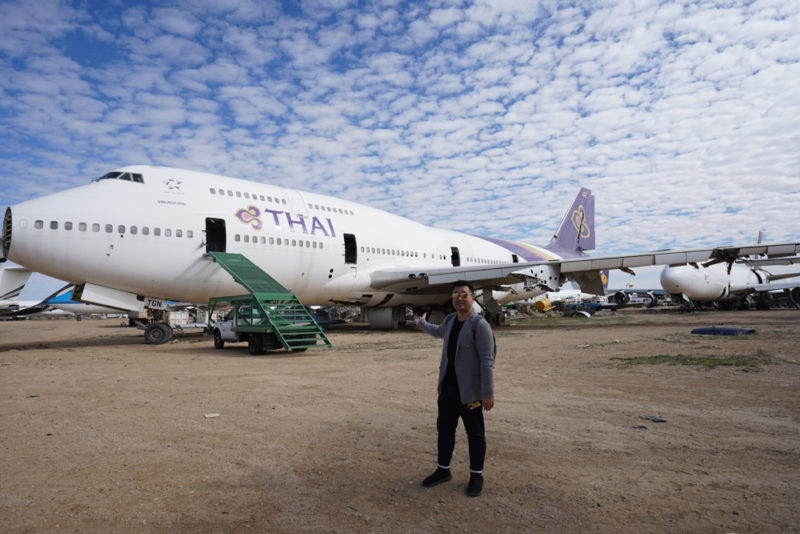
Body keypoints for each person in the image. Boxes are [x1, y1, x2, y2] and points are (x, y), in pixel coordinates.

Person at [415, 280, 495, 497]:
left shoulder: (480, 325)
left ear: (473, 298)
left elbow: (487, 361)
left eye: (464, 294)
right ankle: (443, 470)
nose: (460, 298)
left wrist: (488, 393)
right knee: (445, 431)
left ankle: (476, 475)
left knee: (475, 434)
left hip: (470, 393)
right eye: (456, 294)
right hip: (448, 391)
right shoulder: (450, 320)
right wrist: (422, 324)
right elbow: (438, 331)